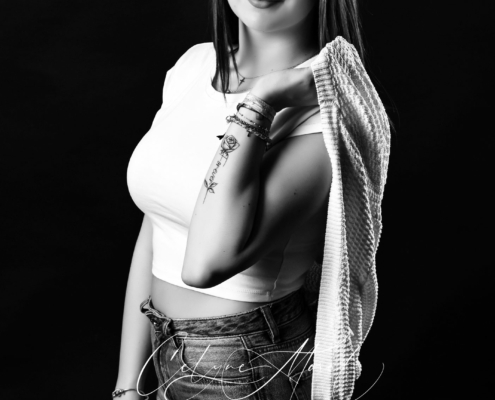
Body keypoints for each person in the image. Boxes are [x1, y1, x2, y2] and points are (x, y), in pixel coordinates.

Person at [114, 1, 390, 399]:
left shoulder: (327, 116)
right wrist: (128, 387)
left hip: (247, 367)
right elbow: (156, 227)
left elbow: (205, 265)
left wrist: (263, 101)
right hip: (163, 351)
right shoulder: (194, 64)